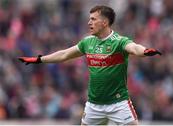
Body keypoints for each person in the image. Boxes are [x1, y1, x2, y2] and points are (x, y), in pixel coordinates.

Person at [18, 5, 161, 125]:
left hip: (118, 103)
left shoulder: (119, 42)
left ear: (104, 22)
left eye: (93, 19)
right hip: (94, 105)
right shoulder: (88, 42)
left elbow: (134, 48)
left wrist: (144, 51)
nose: (89, 22)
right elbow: (64, 54)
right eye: (89, 19)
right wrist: (39, 59)